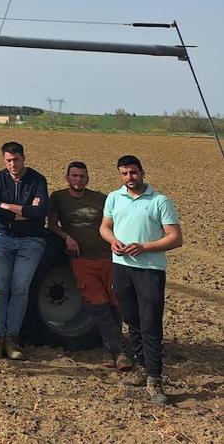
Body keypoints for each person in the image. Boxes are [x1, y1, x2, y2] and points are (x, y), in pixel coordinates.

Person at [100, 155, 182, 405]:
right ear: (119, 175)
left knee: (150, 324)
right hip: (121, 268)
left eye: (133, 173)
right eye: (124, 174)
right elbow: (104, 227)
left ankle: (155, 378)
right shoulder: (114, 198)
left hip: (149, 271)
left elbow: (175, 238)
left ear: (142, 172)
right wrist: (111, 240)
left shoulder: (160, 201)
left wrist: (144, 247)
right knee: (132, 320)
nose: (129, 178)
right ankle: (141, 368)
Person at [48, 161, 129, 370]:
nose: (78, 179)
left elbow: (112, 223)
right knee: (98, 305)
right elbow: (52, 224)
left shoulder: (100, 199)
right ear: (67, 178)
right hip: (81, 258)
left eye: (82, 176)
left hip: (107, 256)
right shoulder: (58, 198)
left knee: (114, 303)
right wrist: (66, 237)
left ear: (87, 179)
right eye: (74, 176)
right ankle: (119, 351)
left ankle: (108, 350)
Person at [0, 141, 49, 360]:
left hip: (31, 241)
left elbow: (41, 212)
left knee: (20, 289)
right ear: (4, 161)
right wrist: (24, 212)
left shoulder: (37, 180)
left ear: (24, 158)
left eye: (17, 159)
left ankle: (12, 338)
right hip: (3, 239)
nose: (13, 163)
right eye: (9, 160)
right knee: (1, 287)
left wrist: (9, 207)